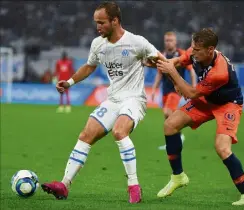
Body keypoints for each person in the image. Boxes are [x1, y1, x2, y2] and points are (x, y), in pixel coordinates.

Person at [41, 1, 166, 203]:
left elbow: (161, 60)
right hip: (113, 99)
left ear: (115, 21)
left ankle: (134, 186)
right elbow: (90, 66)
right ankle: (64, 184)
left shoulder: (136, 42)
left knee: (119, 131)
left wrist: (175, 79)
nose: (97, 27)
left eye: (101, 22)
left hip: (134, 99)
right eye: (96, 23)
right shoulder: (98, 44)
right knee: (85, 135)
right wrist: (70, 82)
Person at [156, 28, 244, 206]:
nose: (192, 52)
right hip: (207, 100)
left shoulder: (219, 72)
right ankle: (178, 176)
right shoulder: (195, 52)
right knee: (170, 125)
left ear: (210, 50)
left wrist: (172, 73)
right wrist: (159, 62)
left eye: (197, 50)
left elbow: (191, 92)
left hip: (228, 104)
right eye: (192, 47)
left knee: (222, 148)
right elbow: (177, 61)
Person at [151, 31, 197, 150]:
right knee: (167, 116)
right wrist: (154, 89)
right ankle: (176, 137)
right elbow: (159, 74)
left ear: (175, 42)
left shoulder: (181, 54)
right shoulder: (162, 55)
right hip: (165, 90)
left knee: (167, 112)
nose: (168, 42)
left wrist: (194, 87)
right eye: (167, 40)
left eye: (171, 40)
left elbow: (191, 71)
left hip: (176, 90)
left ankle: (175, 139)